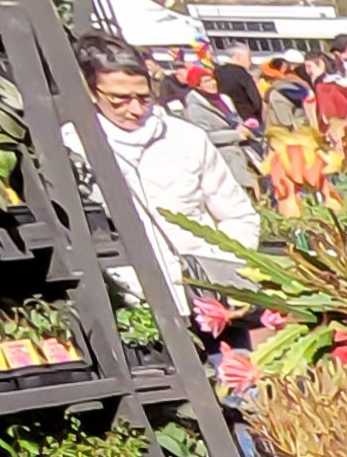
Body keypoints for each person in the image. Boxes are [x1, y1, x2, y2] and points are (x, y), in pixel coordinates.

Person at [73, 33, 260, 315]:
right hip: (131, 307)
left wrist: (224, 272)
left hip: (207, 298)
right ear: (90, 92)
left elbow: (238, 214)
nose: (135, 109)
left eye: (143, 97)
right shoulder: (73, 147)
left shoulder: (186, 137)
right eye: (119, 99)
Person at [169, 65, 258, 194]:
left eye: (212, 79)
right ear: (197, 86)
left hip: (244, 144)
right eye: (206, 81)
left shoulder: (224, 99)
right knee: (242, 176)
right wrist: (236, 135)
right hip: (225, 151)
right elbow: (204, 135)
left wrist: (244, 126)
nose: (212, 83)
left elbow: (234, 120)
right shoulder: (195, 108)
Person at [215, 43, 264, 127]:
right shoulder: (243, 75)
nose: (251, 61)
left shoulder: (216, 72)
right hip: (249, 120)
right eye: (249, 57)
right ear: (238, 56)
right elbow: (255, 100)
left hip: (225, 118)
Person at [261, 54, 312, 131]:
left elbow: (265, 115)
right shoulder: (302, 82)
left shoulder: (274, 90)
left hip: (283, 130)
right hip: (304, 126)